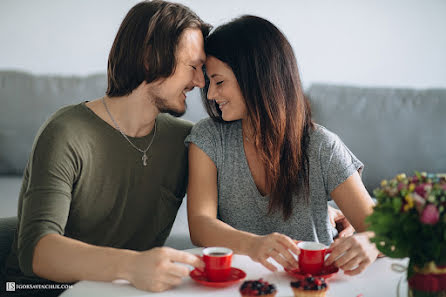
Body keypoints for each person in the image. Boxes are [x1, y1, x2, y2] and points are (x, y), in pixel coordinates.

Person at [2, 1, 211, 295]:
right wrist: (134, 265)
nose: (201, 81)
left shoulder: (188, 141)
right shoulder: (66, 132)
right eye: (193, 66)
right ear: (150, 58)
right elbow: (38, 251)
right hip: (41, 290)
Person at [186, 15, 379, 275]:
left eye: (219, 82)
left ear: (257, 77)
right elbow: (200, 224)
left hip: (312, 285)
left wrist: (371, 243)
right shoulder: (208, 138)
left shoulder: (321, 146)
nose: (210, 95)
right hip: (235, 285)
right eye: (210, 84)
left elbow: (380, 229)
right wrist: (255, 245)